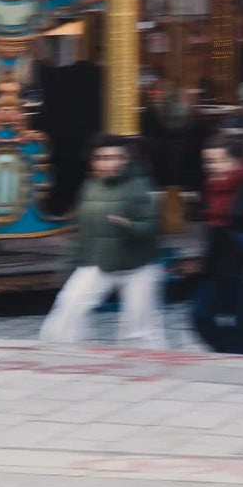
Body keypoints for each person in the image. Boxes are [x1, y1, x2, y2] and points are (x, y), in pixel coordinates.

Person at [39, 133, 165, 349]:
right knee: (68, 309)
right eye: (102, 158)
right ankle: (60, 358)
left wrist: (129, 226)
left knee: (139, 329)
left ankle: (148, 373)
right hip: (99, 261)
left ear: (125, 160)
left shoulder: (140, 186)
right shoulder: (91, 187)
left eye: (114, 157)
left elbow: (151, 228)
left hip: (138, 266)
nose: (108, 163)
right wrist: (70, 267)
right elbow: (84, 233)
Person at [192, 134, 243, 354]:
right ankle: (230, 354)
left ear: (236, 161)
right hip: (217, 269)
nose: (212, 166)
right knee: (200, 316)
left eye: (219, 160)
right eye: (209, 161)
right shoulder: (209, 189)